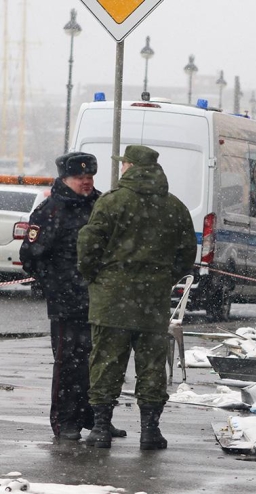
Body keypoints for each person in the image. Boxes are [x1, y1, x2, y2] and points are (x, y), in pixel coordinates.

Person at [77, 145, 196, 450]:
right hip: (152, 302)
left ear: (129, 166)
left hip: (111, 300)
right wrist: (163, 279)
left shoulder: (111, 202)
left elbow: (89, 245)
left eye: (123, 164)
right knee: (152, 366)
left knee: (105, 363)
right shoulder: (174, 206)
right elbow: (186, 255)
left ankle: (101, 428)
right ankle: (150, 430)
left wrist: (95, 278)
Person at [18, 152, 125, 441]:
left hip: (101, 299)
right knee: (68, 365)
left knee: (100, 362)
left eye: (89, 176)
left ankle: (97, 418)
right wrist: (54, 283)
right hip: (67, 301)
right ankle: (66, 421)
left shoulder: (102, 205)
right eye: (80, 177)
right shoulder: (49, 211)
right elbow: (30, 255)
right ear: (65, 178)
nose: (86, 182)